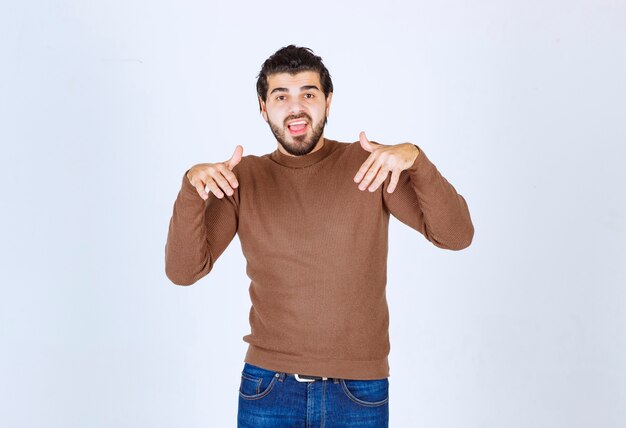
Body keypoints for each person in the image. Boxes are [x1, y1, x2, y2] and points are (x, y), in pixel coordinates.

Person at [165, 45, 474, 428]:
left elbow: (456, 236)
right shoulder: (243, 178)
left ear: (328, 102)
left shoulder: (370, 165)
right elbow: (184, 271)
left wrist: (417, 160)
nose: (296, 108)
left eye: (308, 94)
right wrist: (191, 190)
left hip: (359, 389)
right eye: (281, 96)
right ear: (263, 107)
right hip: (269, 387)